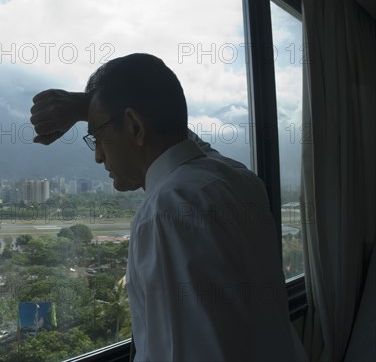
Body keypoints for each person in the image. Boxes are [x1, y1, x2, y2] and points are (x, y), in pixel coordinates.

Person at [30, 53, 307, 362]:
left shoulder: (168, 211)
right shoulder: (237, 178)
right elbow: (178, 135)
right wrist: (96, 107)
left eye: (98, 137)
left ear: (134, 126)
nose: (97, 156)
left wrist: (94, 106)